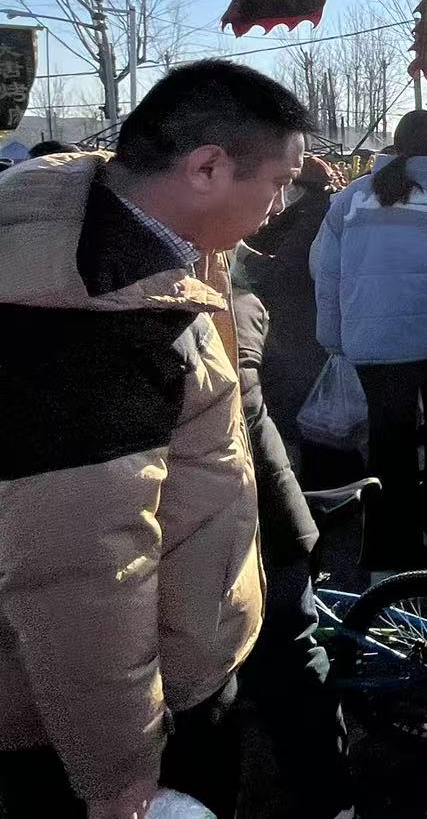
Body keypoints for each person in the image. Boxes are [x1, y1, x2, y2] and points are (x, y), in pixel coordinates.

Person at [0, 59, 311, 819]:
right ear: (207, 167)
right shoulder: (88, 317)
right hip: (133, 719)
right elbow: (82, 577)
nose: (282, 205)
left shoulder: (127, 237)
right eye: (279, 182)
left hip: (161, 667)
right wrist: (121, 781)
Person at [311, 109, 427, 574]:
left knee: (388, 448)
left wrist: (333, 338)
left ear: (396, 144)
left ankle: (388, 559)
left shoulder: (351, 198)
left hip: (374, 342)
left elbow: (325, 272)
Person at [228, 253, 355, 819]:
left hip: (252, 520)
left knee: (289, 652)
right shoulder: (227, 289)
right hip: (268, 503)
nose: (277, 206)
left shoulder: (207, 297)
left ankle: (328, 797)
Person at [243, 154, 348, 482]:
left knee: (296, 410)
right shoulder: (303, 214)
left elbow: (289, 271)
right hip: (299, 325)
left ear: (299, 188)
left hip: (300, 328)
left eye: (283, 186)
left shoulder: (313, 216)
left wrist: (244, 258)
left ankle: (306, 484)